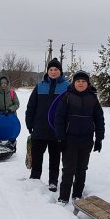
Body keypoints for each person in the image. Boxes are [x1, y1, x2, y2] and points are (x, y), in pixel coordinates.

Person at [54, 70, 105, 204]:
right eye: (78, 81)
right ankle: (63, 197)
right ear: (74, 82)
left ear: (87, 83)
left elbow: (99, 119)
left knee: (82, 169)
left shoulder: (93, 98)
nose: (81, 83)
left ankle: (77, 195)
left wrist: (99, 139)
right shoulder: (67, 97)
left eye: (83, 81)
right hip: (69, 140)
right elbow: (59, 118)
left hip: (86, 140)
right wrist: (60, 138)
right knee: (68, 169)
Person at [25, 58, 70, 192]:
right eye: (51, 69)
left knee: (55, 157)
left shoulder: (67, 87)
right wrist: (29, 123)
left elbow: (71, 108)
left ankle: (53, 181)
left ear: (60, 71)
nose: (53, 71)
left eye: (56, 69)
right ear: (47, 71)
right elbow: (31, 106)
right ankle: (35, 177)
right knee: (37, 155)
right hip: (39, 128)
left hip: (57, 129)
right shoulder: (40, 86)